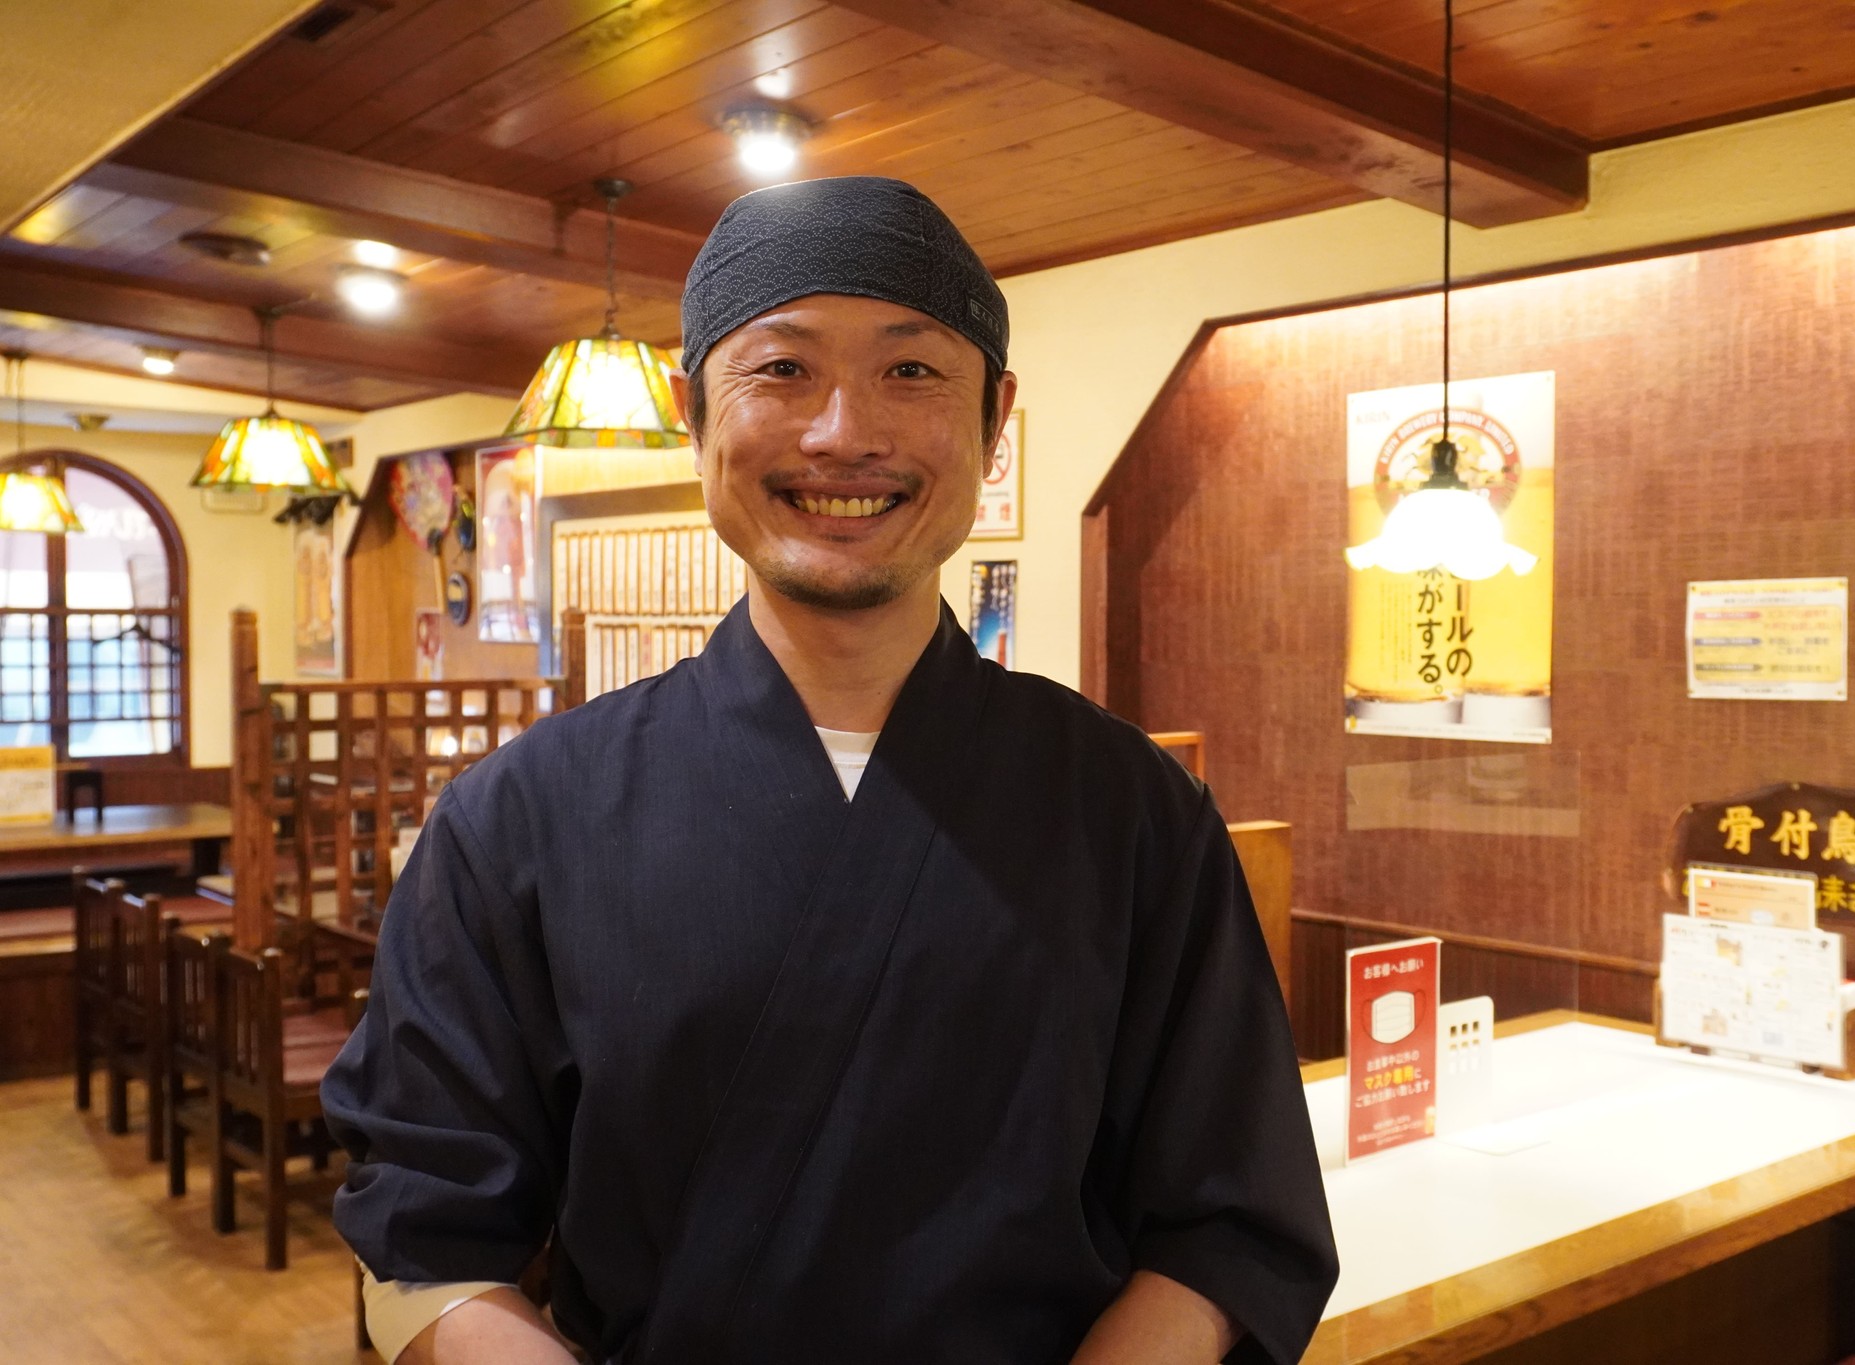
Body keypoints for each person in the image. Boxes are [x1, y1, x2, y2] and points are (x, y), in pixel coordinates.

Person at [323, 175, 1337, 1365]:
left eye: (911, 372)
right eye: (782, 369)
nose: (841, 432)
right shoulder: (522, 816)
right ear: (693, 404)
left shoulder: (1131, 812)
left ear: (992, 416)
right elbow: (426, 1236)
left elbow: (1227, 1226)